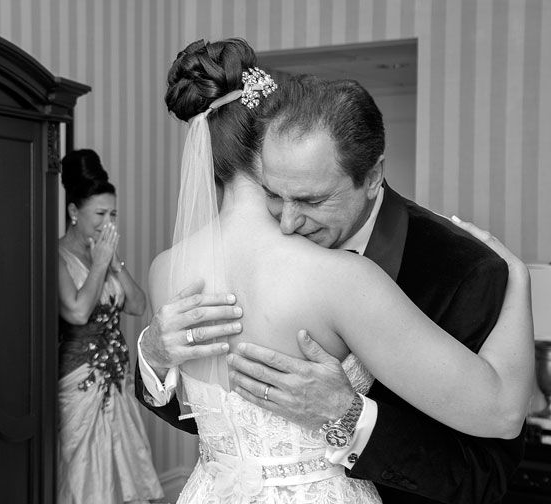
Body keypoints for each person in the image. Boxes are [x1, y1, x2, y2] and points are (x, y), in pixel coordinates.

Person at [135, 39, 533, 503]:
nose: (289, 222)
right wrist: (153, 355)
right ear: (269, 151)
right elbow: (203, 413)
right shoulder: (342, 278)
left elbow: (489, 454)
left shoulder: (166, 268)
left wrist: (347, 413)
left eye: (311, 199)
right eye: (278, 195)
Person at [57, 149, 163, 504]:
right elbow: (77, 312)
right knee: (84, 475)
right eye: (100, 214)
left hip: (117, 380)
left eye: (113, 214)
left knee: (124, 470)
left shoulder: (105, 256)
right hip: (79, 383)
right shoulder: (57, 256)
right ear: (74, 212)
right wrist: (100, 264)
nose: (108, 223)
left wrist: (115, 265)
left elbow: (138, 305)